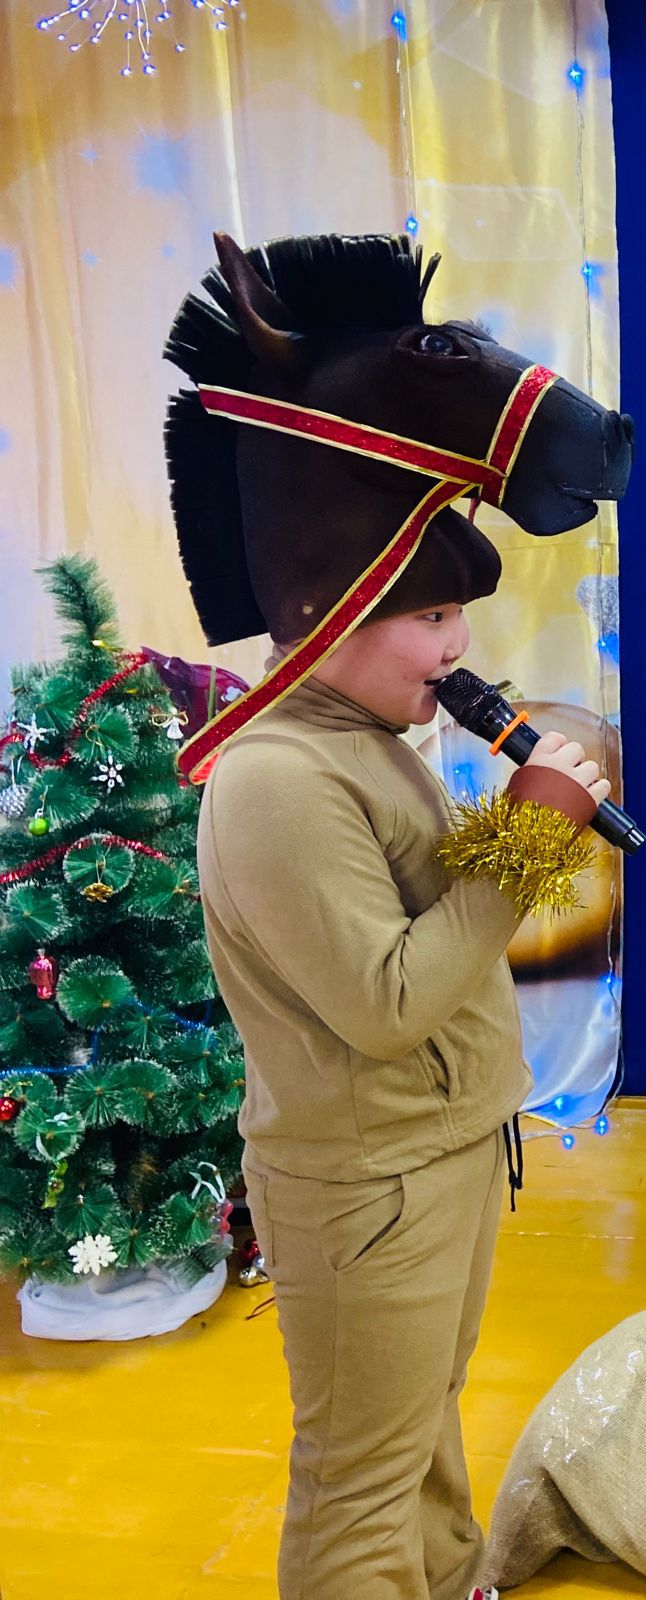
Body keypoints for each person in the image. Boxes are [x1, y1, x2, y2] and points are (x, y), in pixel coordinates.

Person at [196, 593, 608, 1600]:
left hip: (439, 1147)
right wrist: (529, 839)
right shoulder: (278, 776)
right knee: (360, 1484)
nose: (457, 643)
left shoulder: (367, 742)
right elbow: (387, 1002)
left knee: (423, 1421)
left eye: (456, 612)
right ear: (329, 613)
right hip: (369, 1183)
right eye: (430, 613)